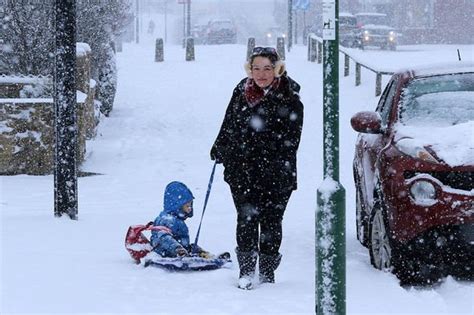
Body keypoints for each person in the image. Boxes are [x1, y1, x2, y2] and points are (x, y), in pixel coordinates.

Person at [210, 47, 304, 289]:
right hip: (242, 170)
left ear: (277, 69)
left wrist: (259, 147)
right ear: (249, 70)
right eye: (256, 68)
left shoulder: (290, 97)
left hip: (277, 173)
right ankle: (247, 271)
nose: (261, 74)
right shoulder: (241, 91)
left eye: (267, 68)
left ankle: (268, 274)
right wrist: (220, 146)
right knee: (246, 219)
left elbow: (291, 140)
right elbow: (228, 122)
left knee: (272, 222)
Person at [150, 181, 210, 258]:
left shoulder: (177, 219)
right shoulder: (166, 219)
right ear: (177, 206)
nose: (190, 208)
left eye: (191, 205)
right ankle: (183, 254)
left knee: (194, 247)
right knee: (187, 248)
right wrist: (177, 249)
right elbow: (163, 238)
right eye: (187, 206)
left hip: (181, 250)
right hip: (165, 251)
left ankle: (208, 256)